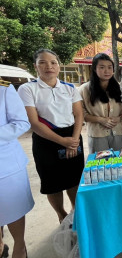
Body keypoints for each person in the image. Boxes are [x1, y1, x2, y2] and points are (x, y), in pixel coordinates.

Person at [18, 49, 84, 224]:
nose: (49, 66)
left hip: (72, 135)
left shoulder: (70, 88)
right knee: (52, 182)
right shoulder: (28, 89)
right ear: (35, 66)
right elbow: (33, 122)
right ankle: (61, 214)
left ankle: (75, 211)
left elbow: (78, 115)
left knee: (74, 179)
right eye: (43, 62)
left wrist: (74, 140)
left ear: (59, 66)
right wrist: (63, 141)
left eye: (53, 62)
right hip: (46, 139)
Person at [0, 81, 34, 258]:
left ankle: (20, 248)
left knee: (12, 210)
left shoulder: (4, 90)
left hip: (5, 166)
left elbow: (22, 123)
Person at [79, 53, 122, 153]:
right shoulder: (85, 89)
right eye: (102, 67)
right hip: (97, 135)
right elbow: (80, 113)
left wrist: (119, 118)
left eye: (110, 67)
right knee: (101, 165)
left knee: (120, 164)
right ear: (94, 68)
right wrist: (100, 119)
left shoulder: (121, 88)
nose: (107, 71)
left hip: (118, 133)